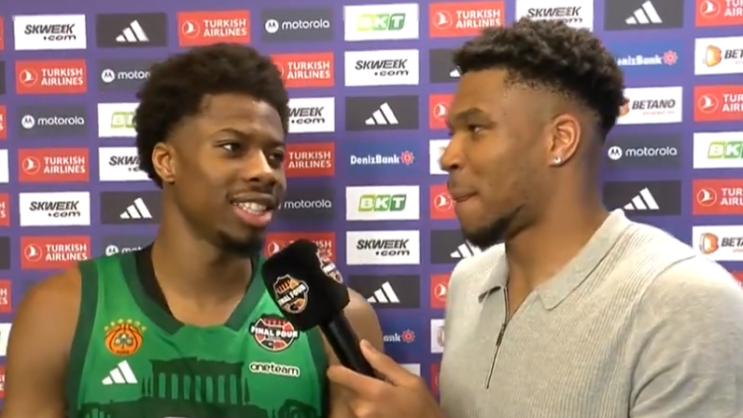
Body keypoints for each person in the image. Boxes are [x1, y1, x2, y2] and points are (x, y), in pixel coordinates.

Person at [327, 19, 743, 418]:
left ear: (559, 140)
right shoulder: (469, 282)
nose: (448, 156)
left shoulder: (683, 302)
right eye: (452, 133)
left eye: (476, 128)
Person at [1, 43, 383, 418]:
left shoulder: (339, 322)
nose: (265, 172)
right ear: (166, 162)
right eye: (232, 147)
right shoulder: (61, 311)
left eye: (275, 156)